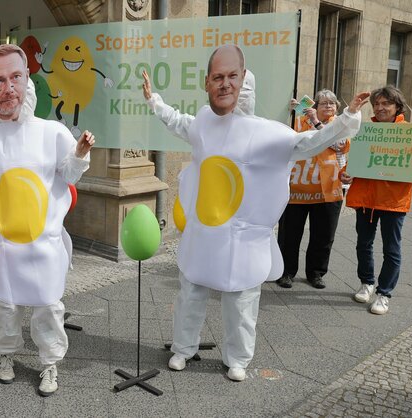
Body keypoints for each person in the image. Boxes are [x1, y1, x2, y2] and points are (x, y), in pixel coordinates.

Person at [144, 44, 369, 382]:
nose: (225, 84)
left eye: (233, 77)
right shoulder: (205, 121)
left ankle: (237, 357)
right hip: (204, 231)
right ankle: (183, 347)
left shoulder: (266, 132)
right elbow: (179, 123)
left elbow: (308, 142)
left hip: (242, 238)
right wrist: (154, 101)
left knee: (241, 299)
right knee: (191, 292)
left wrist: (346, 117)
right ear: (208, 83)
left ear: (243, 84)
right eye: (218, 77)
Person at [0, 44, 94, 397]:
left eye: (15, 77)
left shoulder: (51, 132)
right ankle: (6, 355)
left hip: (43, 243)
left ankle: (49, 364)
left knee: (47, 306)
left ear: (27, 80)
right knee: (6, 306)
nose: (8, 87)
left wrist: (79, 153)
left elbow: (68, 174)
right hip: (4, 244)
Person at [341, 86, 412, 315]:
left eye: (385, 103)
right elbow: (353, 163)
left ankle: (384, 293)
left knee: (392, 249)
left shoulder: (411, 133)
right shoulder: (365, 131)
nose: (380, 107)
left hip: (393, 200)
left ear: (397, 106)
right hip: (366, 199)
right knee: (363, 245)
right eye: (377, 104)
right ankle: (367, 283)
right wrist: (345, 173)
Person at [276, 90, 351, 289]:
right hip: (297, 189)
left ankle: (316, 273)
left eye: (332, 103)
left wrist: (317, 122)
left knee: (323, 235)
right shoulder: (301, 121)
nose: (328, 107)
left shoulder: (341, 125)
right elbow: (284, 137)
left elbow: (338, 146)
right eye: (324, 103)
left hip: (328, 190)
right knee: (289, 234)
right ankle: (286, 272)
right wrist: (288, 112)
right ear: (315, 106)